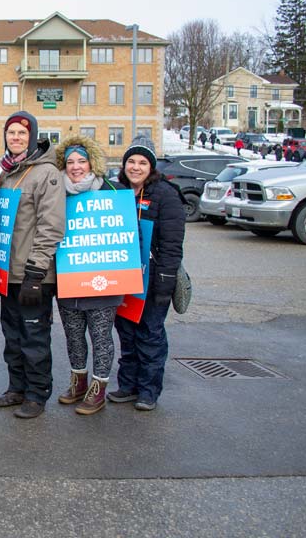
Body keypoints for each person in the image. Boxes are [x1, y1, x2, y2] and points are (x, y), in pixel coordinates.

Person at [0, 111, 65, 419]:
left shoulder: (46, 173)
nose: (16, 138)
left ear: (32, 137)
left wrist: (36, 272)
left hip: (34, 274)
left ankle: (36, 394)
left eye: (22, 133)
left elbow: (51, 225)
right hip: (10, 273)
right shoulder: (8, 171)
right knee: (13, 336)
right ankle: (16, 388)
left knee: (34, 338)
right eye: (11, 133)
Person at [111, 136, 185, 411]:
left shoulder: (166, 194)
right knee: (127, 333)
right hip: (124, 277)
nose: (136, 167)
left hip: (153, 279)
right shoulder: (117, 191)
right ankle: (128, 386)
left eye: (142, 162)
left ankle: (149, 390)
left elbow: (172, 242)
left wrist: (166, 279)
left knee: (150, 334)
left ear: (151, 166)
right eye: (131, 161)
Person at [54, 136, 126, 415]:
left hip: (102, 278)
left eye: (81, 161)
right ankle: (78, 381)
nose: (75, 167)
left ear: (92, 162)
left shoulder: (112, 190)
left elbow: (124, 233)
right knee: (73, 336)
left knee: (100, 336)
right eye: (70, 161)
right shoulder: (57, 193)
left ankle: (99, 387)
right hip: (69, 278)